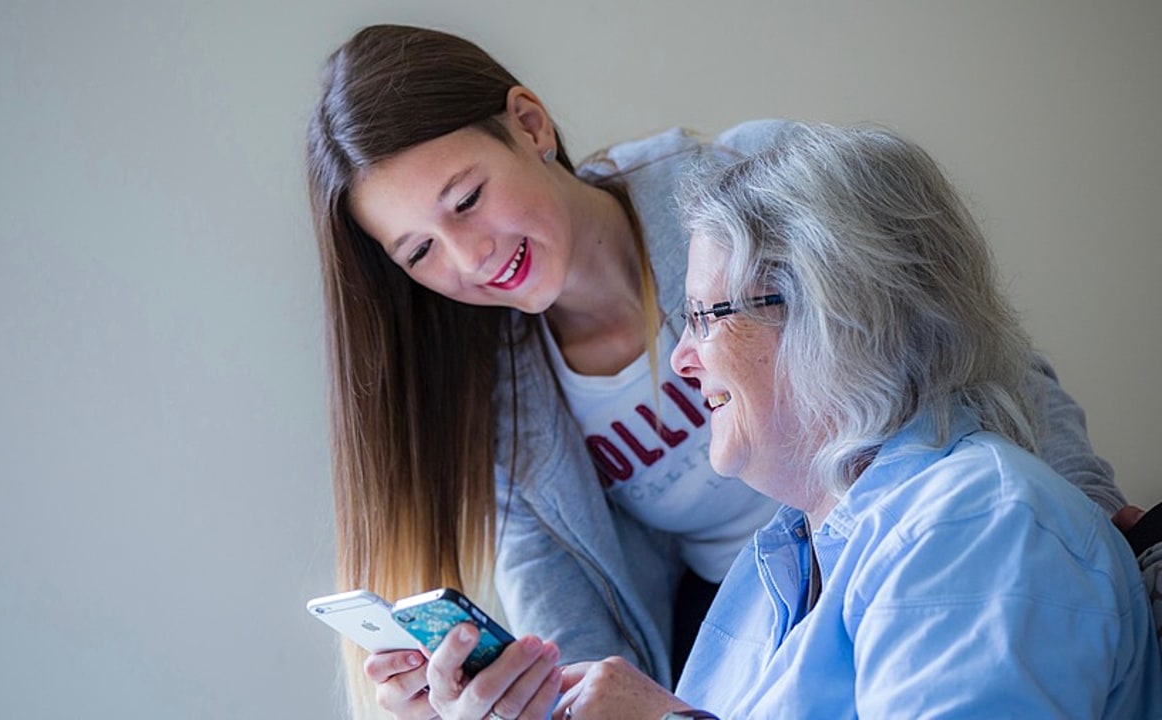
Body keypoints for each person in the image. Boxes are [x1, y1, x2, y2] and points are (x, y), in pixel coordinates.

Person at [306, 24, 1135, 719]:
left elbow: (968, 349)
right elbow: (574, 631)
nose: (468, 257)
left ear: (529, 125)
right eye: (419, 252)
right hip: (752, 618)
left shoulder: (750, 193)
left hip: (896, 546)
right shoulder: (506, 410)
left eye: (466, 200)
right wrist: (538, 702)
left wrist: (1099, 538)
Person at [543, 124, 1161, 718]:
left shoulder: (973, 522)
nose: (681, 360)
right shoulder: (775, 567)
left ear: (833, 315)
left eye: (706, 317)